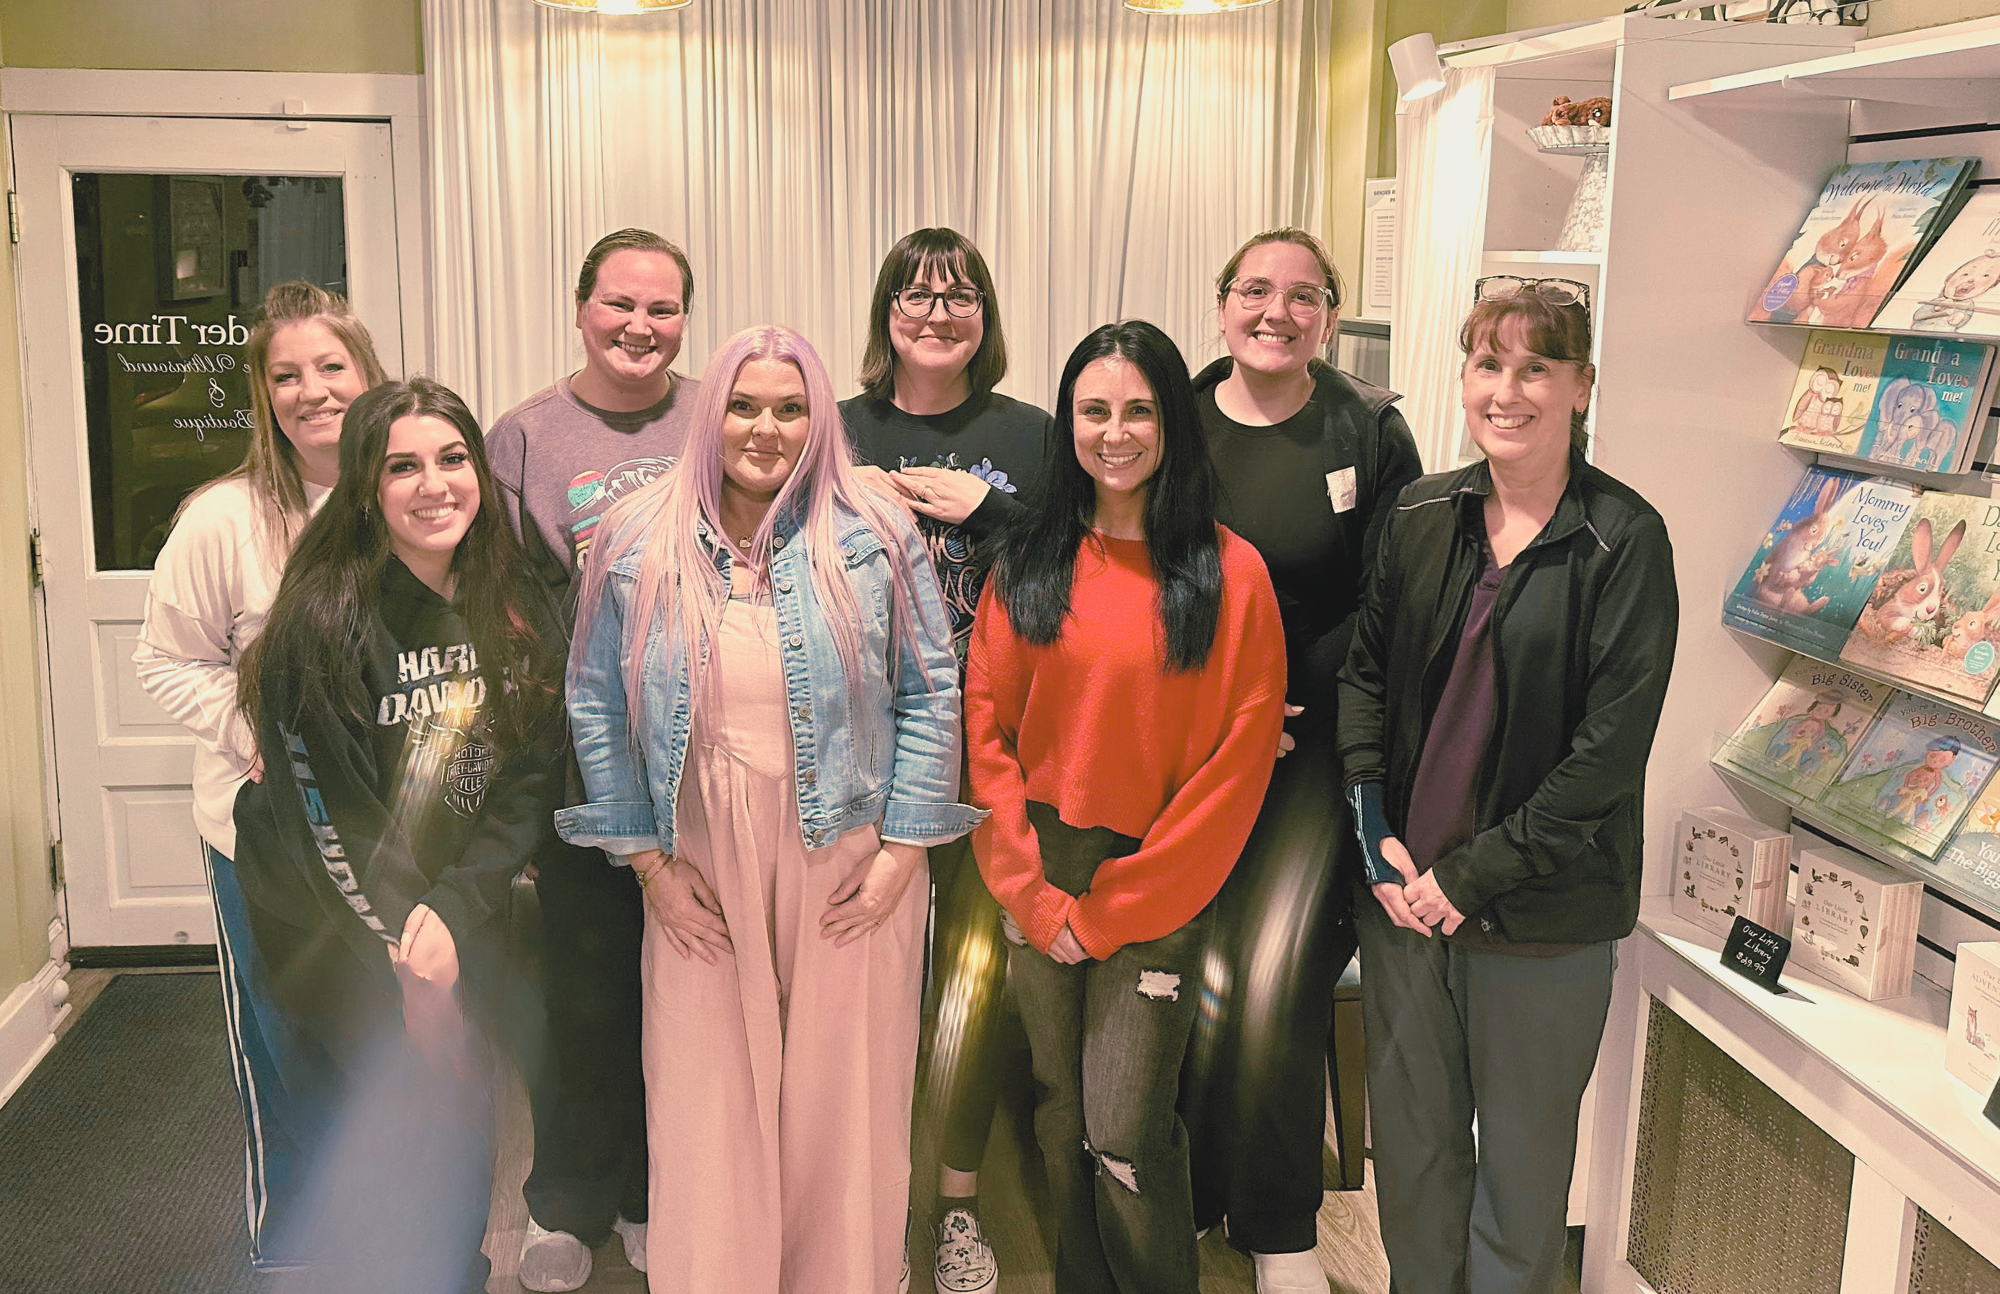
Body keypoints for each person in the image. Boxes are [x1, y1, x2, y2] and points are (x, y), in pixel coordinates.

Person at [560, 325, 977, 1293]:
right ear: (711, 412)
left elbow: (930, 686)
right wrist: (650, 870)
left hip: (853, 849)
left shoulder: (873, 527)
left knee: (846, 1101)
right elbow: (591, 699)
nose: (766, 426)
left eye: (790, 406)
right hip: (696, 852)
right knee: (706, 1098)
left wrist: (904, 851)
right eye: (744, 404)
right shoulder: (635, 531)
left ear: (818, 416)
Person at [1337, 279, 1677, 1294]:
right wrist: (1373, 827)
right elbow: (1362, 674)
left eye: (1536, 366)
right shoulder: (1419, 512)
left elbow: (1603, 757)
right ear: (1461, 378)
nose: (1508, 389)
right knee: (1412, 1168)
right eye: (1488, 363)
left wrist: (1470, 875)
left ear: (1581, 385)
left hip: (1539, 922)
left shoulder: (1623, 540)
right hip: (1403, 908)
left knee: (1519, 1192)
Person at [967, 320, 1287, 1294]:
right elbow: (984, 731)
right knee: (1060, 1119)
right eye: (1093, 409)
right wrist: (1029, 893)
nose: (1114, 431)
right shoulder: (1028, 560)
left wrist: (1107, 912)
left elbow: (1235, 767)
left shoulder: (1231, 573)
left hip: (1155, 878)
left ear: (1171, 424)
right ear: (1068, 422)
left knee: (1124, 1134)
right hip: (1039, 865)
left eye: (1138, 410)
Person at [231, 377, 569, 1294]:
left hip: (451, 902)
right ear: (365, 490)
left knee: (457, 1108)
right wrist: (407, 954)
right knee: (376, 1123)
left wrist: (453, 915)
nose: (434, 485)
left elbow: (529, 776)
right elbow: (329, 823)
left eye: (453, 459)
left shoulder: (517, 597)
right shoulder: (322, 620)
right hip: (331, 919)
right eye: (402, 466)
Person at [1181, 228, 1422, 1294]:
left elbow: (1394, 604)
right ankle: (1187, 1193)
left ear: (1328, 312)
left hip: (1317, 753)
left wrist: (1321, 724)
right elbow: (1134, 577)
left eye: (1302, 296)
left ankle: (1279, 1229)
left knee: (1274, 985)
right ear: (1221, 302)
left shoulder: (1366, 427)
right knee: (1185, 975)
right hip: (1190, 747)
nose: (1274, 312)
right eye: (1253, 291)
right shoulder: (1175, 417)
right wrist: (1218, 708)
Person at [133, 280, 388, 1270]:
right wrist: (256, 725)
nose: (311, 390)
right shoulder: (223, 519)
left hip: (392, 844)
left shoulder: (417, 491)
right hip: (265, 843)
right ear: (263, 395)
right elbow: (163, 661)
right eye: (286, 375)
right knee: (292, 1057)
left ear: (369, 374)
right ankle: (298, 1256)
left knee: (393, 1056)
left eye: (330, 366)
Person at [484, 227, 702, 1291]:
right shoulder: (523, 437)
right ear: (580, 307)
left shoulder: (720, 412)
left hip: (706, 768)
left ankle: (660, 1194)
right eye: (619, 303)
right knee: (582, 991)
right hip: (580, 766)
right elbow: (501, 610)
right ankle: (566, 1198)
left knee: (686, 992)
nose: (639, 326)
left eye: (661, 309)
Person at [841, 226, 1051, 1294]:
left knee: (969, 987)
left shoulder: (1028, 435)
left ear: (985, 316)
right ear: (885, 314)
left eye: (958, 295)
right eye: (914, 295)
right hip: (847, 760)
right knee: (846, 982)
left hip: (988, 759)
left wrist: (995, 510)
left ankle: (955, 1201)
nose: (935, 313)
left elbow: (1089, 563)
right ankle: (855, 1197)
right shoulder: (833, 428)